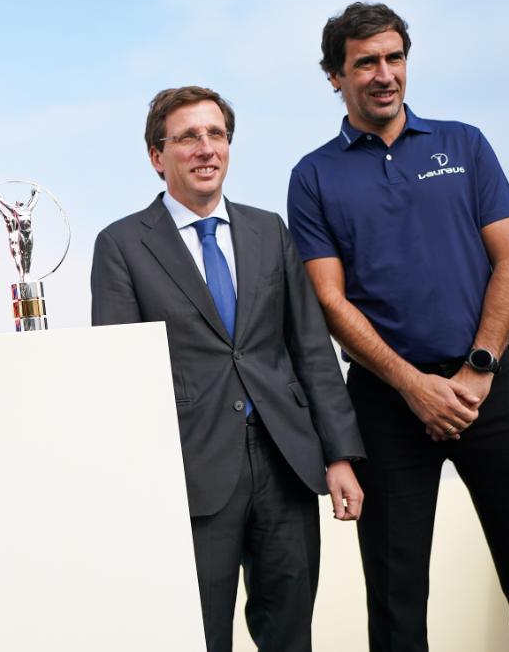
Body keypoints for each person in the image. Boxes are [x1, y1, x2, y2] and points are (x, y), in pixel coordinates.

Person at [288, 1, 509, 651]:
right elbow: (330, 299)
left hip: (490, 384)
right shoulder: (313, 175)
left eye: (393, 58)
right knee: (397, 600)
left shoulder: (464, 143)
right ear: (334, 77)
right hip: (384, 399)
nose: (383, 74)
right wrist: (413, 385)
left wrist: (477, 371)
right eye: (364, 62)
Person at [91, 86, 365, 652]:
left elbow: (310, 347)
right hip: (191, 476)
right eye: (187, 136)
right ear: (156, 156)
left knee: (290, 634)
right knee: (197, 636)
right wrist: (139, 484)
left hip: (286, 466)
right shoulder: (121, 245)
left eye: (216, 134)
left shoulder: (270, 231)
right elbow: (121, 377)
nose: (205, 148)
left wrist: (338, 454)